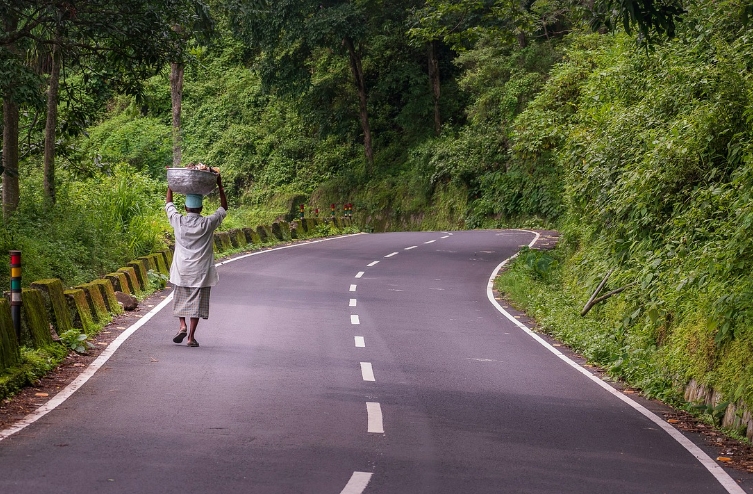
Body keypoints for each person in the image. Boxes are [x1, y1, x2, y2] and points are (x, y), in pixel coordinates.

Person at [165, 173, 228, 347]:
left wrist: (172, 183)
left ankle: (182, 325)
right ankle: (191, 337)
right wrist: (220, 186)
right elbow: (223, 208)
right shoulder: (207, 223)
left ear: (185, 207)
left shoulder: (178, 221)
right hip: (200, 271)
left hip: (181, 269)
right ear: (200, 209)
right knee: (196, 304)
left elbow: (169, 204)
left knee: (180, 299)